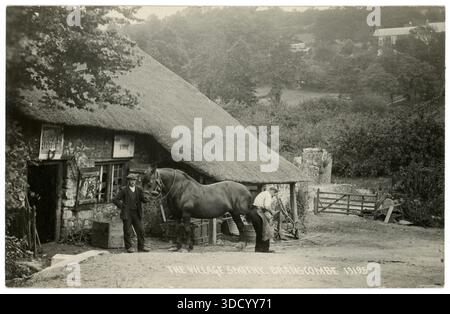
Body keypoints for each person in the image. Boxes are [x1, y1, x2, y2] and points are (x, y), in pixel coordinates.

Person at [113, 173, 149, 253]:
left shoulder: (139, 189)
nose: (132, 182)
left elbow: (143, 199)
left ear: (136, 181)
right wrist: (122, 206)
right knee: (127, 231)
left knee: (141, 230)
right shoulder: (124, 190)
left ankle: (141, 247)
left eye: (134, 180)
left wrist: (148, 198)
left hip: (136, 213)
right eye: (131, 180)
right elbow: (115, 199)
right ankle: (129, 247)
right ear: (128, 181)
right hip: (127, 214)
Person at [248, 186, 278, 253]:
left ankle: (258, 249)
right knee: (265, 230)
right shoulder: (268, 195)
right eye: (274, 194)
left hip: (253, 211)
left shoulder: (263, 193)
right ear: (272, 191)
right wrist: (272, 212)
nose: (273, 196)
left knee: (259, 232)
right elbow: (267, 206)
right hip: (258, 212)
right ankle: (264, 249)